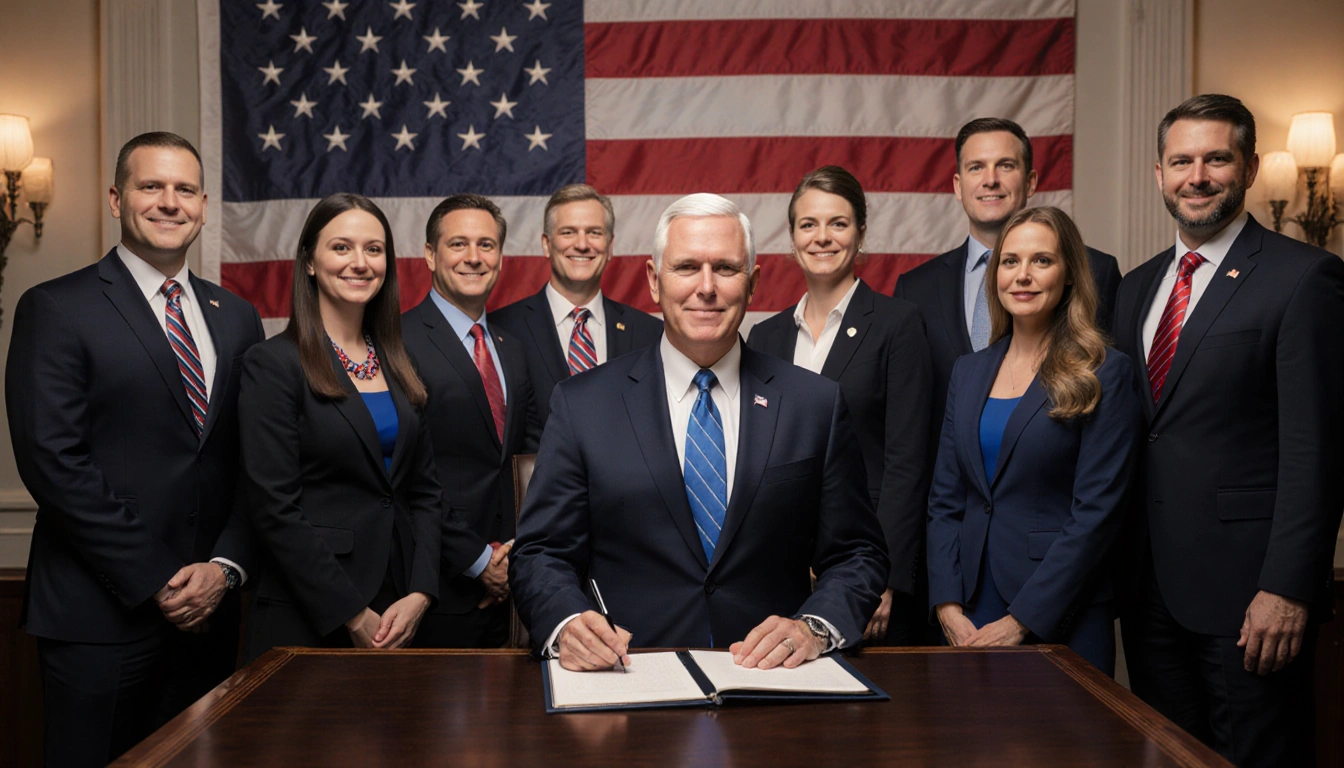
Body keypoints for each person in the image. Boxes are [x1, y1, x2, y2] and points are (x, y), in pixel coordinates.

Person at [510, 193, 888, 673]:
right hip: (630, 675)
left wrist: (814, 627)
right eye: (686, 267)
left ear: (752, 284)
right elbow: (540, 553)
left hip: (773, 682)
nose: (706, 288)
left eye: (726, 269)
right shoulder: (583, 403)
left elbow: (858, 553)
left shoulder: (813, 403)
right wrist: (566, 624)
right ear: (653, 280)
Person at [5, 132, 264, 766]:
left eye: (184, 190)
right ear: (119, 199)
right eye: (152, 186)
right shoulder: (57, 307)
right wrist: (158, 582)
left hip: (211, 612)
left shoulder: (235, 315)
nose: (169, 202)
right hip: (99, 617)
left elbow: (250, 461)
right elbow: (53, 461)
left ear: (204, 205)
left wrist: (222, 570)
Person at [1113, 94, 1344, 768]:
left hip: (1250, 599)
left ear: (1247, 169)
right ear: (1159, 174)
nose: (1198, 175)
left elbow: (1318, 449)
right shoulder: (1136, 288)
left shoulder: (1304, 278)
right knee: (1169, 756)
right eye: (1181, 161)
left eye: (1217, 158)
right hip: (1149, 589)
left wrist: (1289, 587)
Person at [238, 194, 482, 662]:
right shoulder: (273, 365)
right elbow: (273, 508)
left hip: (401, 608)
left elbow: (425, 492)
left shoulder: (400, 363)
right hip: (312, 612)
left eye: (374, 249)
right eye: (342, 247)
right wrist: (352, 613)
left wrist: (422, 593)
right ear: (310, 261)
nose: (360, 262)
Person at [926, 206, 1141, 675]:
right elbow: (946, 499)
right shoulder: (969, 370)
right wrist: (946, 602)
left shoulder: (1105, 371)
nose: (1022, 275)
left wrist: (1023, 619)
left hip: (1059, 609)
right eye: (1010, 261)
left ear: (1069, 276)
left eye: (1041, 261)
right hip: (968, 610)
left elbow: (1097, 516)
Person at [746, 166, 933, 645]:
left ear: (861, 233)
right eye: (808, 224)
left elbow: (907, 461)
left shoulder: (899, 324)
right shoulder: (765, 336)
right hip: (777, 563)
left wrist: (884, 576)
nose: (822, 237)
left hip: (860, 560)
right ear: (791, 237)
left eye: (839, 223)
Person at [894, 116, 1122, 449]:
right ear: (958, 186)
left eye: (1005, 166)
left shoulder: (1096, 271)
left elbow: (1112, 399)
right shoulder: (915, 290)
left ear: (1030, 182)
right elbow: (909, 417)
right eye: (976, 168)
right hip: (950, 487)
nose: (990, 180)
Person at [402, 194, 543, 647]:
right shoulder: (397, 341)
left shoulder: (511, 347)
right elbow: (405, 472)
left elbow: (527, 458)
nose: (473, 257)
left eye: (486, 244)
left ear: (500, 257)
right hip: (437, 583)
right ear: (430, 254)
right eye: (458, 243)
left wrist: (510, 557)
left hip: (513, 584)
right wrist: (480, 561)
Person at [491, 184, 662, 425]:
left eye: (594, 232)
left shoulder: (651, 333)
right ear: (546, 244)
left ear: (610, 246)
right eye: (568, 232)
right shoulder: (501, 330)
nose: (582, 244)